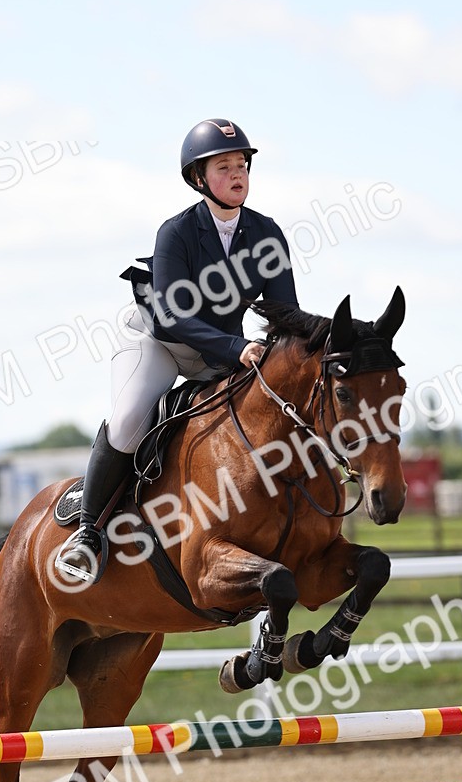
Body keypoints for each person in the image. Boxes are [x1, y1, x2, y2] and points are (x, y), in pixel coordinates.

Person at [55, 117, 299, 582]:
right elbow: (171, 316)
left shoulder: (266, 234)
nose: (237, 174)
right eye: (224, 167)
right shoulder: (177, 232)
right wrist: (238, 347)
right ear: (198, 178)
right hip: (157, 341)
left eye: (241, 165)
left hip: (218, 351)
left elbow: (285, 314)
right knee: (130, 418)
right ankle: (87, 532)